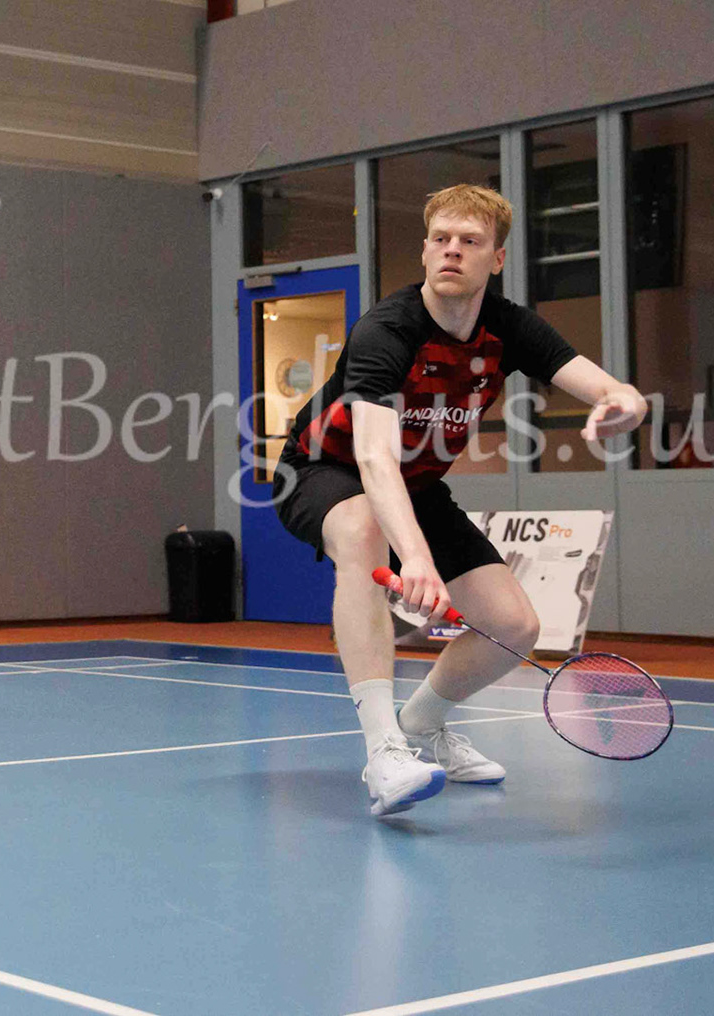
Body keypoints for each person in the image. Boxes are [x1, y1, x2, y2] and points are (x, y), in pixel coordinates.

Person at [277, 184, 647, 817]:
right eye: (441, 239)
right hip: (324, 469)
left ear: (495, 258)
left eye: (470, 241)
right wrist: (416, 558)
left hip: (417, 485)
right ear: (425, 251)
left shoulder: (509, 327)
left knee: (513, 626)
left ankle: (421, 724)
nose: (452, 250)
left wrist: (627, 404)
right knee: (365, 529)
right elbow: (373, 458)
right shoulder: (387, 330)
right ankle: (384, 750)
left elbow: (607, 387)